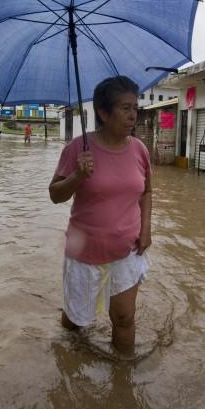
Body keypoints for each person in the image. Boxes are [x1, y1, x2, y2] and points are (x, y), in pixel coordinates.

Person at [48, 76, 152, 354]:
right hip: (83, 245)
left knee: (124, 317)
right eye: (125, 108)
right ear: (103, 113)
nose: (133, 115)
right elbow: (55, 195)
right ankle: (66, 359)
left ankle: (123, 379)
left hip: (127, 248)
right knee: (75, 319)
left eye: (135, 107)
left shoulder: (140, 150)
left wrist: (146, 230)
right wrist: (77, 175)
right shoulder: (77, 149)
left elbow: (146, 192)